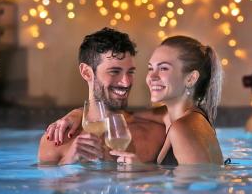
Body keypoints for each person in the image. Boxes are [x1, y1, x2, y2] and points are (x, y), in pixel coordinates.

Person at [38, 27, 165, 165]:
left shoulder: (154, 134)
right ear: (86, 72)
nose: (126, 82)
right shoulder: (56, 140)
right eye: (114, 72)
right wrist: (68, 162)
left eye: (130, 72)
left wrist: (141, 173)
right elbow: (47, 184)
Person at [111, 35, 224, 165]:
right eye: (150, 68)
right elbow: (132, 116)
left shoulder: (182, 129)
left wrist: (140, 172)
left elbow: (200, 184)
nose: (152, 76)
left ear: (191, 78)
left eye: (164, 68)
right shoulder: (181, 117)